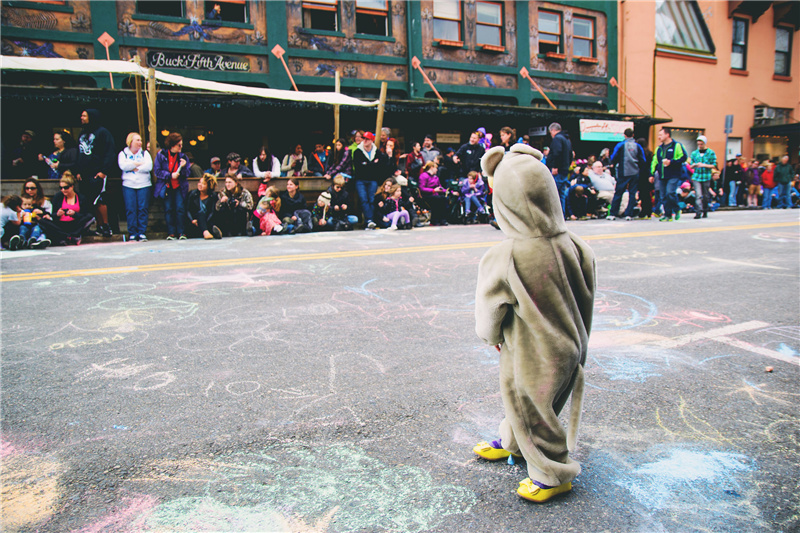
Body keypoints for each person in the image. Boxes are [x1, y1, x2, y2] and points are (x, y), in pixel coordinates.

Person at [474, 143, 595, 504]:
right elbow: (586, 293)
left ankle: (552, 472)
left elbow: (490, 310)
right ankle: (513, 441)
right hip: (570, 345)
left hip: (529, 350)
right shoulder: (575, 244)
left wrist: (492, 335)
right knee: (542, 404)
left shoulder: (506, 253)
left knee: (530, 405)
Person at [76, 109, 116, 237]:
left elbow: (109, 152)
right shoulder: (82, 133)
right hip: (84, 174)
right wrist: (78, 171)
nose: (81, 118)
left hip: (97, 172)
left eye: (84, 116)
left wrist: (104, 171)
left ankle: (105, 226)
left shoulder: (103, 133)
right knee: (90, 201)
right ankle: (97, 226)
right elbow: (79, 153)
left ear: (91, 117)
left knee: (100, 199)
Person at [37, 171, 95, 246]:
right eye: (61, 188)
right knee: (43, 221)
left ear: (72, 186)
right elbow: (53, 215)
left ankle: (67, 236)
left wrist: (74, 214)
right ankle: (68, 236)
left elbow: (85, 214)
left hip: (75, 224)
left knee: (89, 217)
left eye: (66, 188)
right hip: (60, 224)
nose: (63, 190)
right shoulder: (58, 197)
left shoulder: (81, 197)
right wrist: (58, 214)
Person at [154, 132, 191, 240]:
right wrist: (170, 175)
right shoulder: (161, 155)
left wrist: (183, 167)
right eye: (179, 145)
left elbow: (188, 173)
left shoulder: (183, 156)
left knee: (180, 208)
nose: (181, 147)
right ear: (172, 145)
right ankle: (171, 233)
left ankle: (181, 232)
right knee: (168, 209)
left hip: (179, 186)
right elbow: (157, 171)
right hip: (167, 186)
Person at [118, 132, 153, 242]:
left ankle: (142, 232)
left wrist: (133, 166)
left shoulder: (145, 153)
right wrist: (138, 164)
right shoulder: (123, 153)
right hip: (129, 185)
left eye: (140, 140)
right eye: (137, 140)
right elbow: (123, 166)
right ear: (130, 142)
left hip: (144, 184)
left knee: (142, 208)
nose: (140, 142)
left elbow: (149, 166)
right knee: (130, 209)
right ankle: (133, 233)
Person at [351, 131, 389, 229]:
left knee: (372, 200)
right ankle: (369, 220)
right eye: (364, 139)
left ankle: (371, 220)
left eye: (367, 139)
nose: (365, 141)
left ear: (372, 140)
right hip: (360, 179)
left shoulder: (377, 152)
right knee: (364, 199)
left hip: (373, 179)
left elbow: (380, 167)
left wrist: (367, 165)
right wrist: (373, 164)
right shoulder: (357, 152)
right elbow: (359, 167)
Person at [608, 128, 646, 221]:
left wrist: (613, 163)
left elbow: (613, 157)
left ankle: (613, 213)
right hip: (635, 172)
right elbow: (643, 160)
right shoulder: (638, 146)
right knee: (632, 193)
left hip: (623, 172)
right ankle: (629, 214)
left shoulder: (620, 145)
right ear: (633, 135)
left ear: (624, 135)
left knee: (619, 193)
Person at [651, 126, 687, 221]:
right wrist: (652, 174)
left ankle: (677, 209)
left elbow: (683, 157)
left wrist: (671, 162)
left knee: (670, 192)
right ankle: (668, 215)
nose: (659, 137)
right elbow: (655, 161)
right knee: (663, 196)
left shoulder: (676, 145)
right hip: (662, 175)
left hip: (674, 174)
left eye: (660, 135)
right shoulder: (659, 148)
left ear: (667, 135)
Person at [545, 122, 573, 217]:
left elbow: (557, 153)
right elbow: (570, 154)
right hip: (564, 169)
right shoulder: (566, 139)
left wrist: (555, 166)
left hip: (557, 170)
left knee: (554, 193)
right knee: (561, 194)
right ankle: (562, 215)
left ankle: (555, 215)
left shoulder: (557, 139)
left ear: (553, 130)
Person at [186, 174, 222, 239]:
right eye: (199, 182)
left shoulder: (213, 196)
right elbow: (188, 210)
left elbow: (212, 212)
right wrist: (192, 220)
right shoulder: (193, 194)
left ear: (209, 186)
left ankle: (207, 232)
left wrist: (204, 222)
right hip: (194, 222)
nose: (200, 185)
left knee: (202, 215)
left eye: (203, 184)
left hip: (208, 221)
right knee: (200, 214)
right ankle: (207, 232)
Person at [688, 135, 717, 219]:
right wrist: (694, 165)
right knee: (698, 195)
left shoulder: (710, 153)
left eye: (701, 144)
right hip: (697, 176)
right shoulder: (694, 153)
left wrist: (704, 165)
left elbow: (714, 164)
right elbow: (691, 165)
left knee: (705, 195)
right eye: (698, 144)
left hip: (706, 176)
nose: (700, 146)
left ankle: (705, 210)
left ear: (705, 143)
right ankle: (698, 212)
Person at [418, 160, 449, 226]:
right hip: (425, 196)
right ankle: (434, 220)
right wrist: (433, 190)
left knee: (443, 198)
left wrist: (448, 191)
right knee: (437, 199)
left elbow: (440, 187)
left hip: (435, 195)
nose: (437, 170)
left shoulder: (436, 177)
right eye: (436, 168)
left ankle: (442, 219)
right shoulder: (423, 176)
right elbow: (422, 188)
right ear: (432, 167)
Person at [636, 138, 654, 218]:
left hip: (641, 175)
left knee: (643, 194)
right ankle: (649, 211)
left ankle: (644, 211)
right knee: (647, 194)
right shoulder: (650, 153)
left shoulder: (639, 153)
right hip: (648, 175)